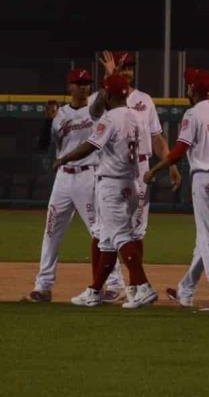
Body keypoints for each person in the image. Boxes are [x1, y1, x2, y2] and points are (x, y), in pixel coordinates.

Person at [57, 74, 156, 309]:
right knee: (108, 240)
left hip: (111, 182)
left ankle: (143, 287)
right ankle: (95, 291)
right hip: (133, 181)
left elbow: (91, 145)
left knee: (120, 236)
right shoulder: (137, 116)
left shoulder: (110, 118)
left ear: (108, 95)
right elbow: (146, 151)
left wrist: (64, 158)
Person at [26, 69, 124, 303]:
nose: (83, 87)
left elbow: (104, 97)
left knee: (99, 232)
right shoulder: (60, 114)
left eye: (86, 83)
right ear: (69, 86)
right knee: (51, 231)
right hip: (63, 179)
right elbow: (42, 145)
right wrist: (47, 120)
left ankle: (115, 283)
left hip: (88, 176)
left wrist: (112, 75)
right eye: (78, 83)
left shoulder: (96, 108)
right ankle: (43, 286)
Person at [90, 51, 181, 290]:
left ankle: (133, 287)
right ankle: (100, 286)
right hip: (112, 169)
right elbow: (94, 112)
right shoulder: (102, 97)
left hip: (140, 168)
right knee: (103, 230)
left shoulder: (144, 99)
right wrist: (109, 78)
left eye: (130, 67)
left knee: (136, 230)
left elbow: (157, 137)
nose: (128, 72)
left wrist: (170, 163)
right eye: (123, 67)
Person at [145, 72, 209, 311]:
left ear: (195, 90)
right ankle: (186, 289)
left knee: (208, 238)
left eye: (189, 88)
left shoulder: (193, 113)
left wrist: (155, 169)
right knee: (206, 239)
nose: (186, 92)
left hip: (205, 179)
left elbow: (179, 150)